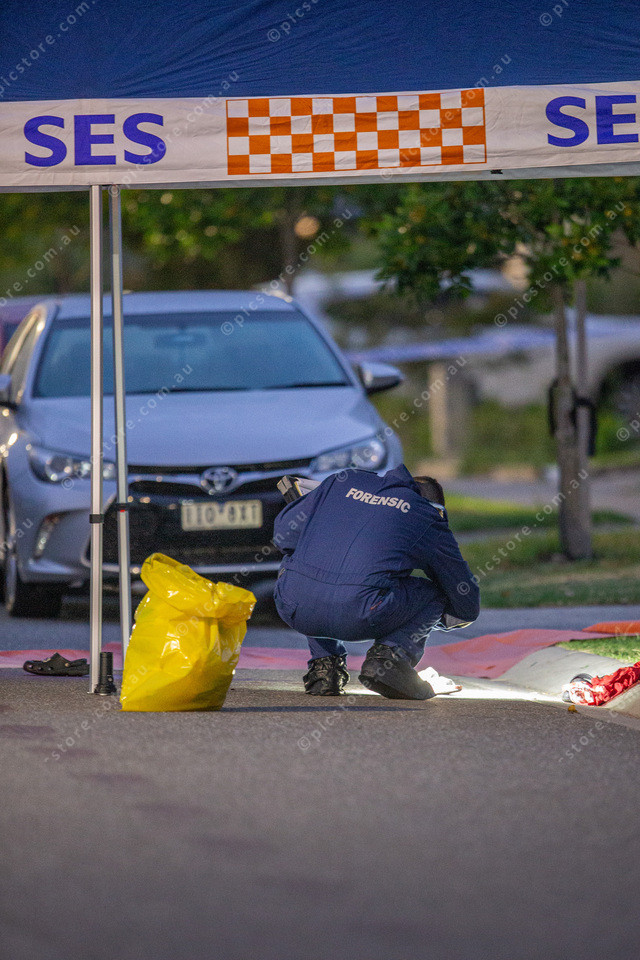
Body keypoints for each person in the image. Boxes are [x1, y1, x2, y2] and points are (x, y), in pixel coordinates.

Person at [273, 464, 480, 700]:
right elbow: (464, 598)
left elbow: (283, 536)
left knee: (313, 566)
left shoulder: (342, 481)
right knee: (436, 595)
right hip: (360, 613)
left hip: (292, 605)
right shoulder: (425, 514)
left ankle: (325, 670)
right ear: (437, 507)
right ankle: (389, 660)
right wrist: (438, 619)